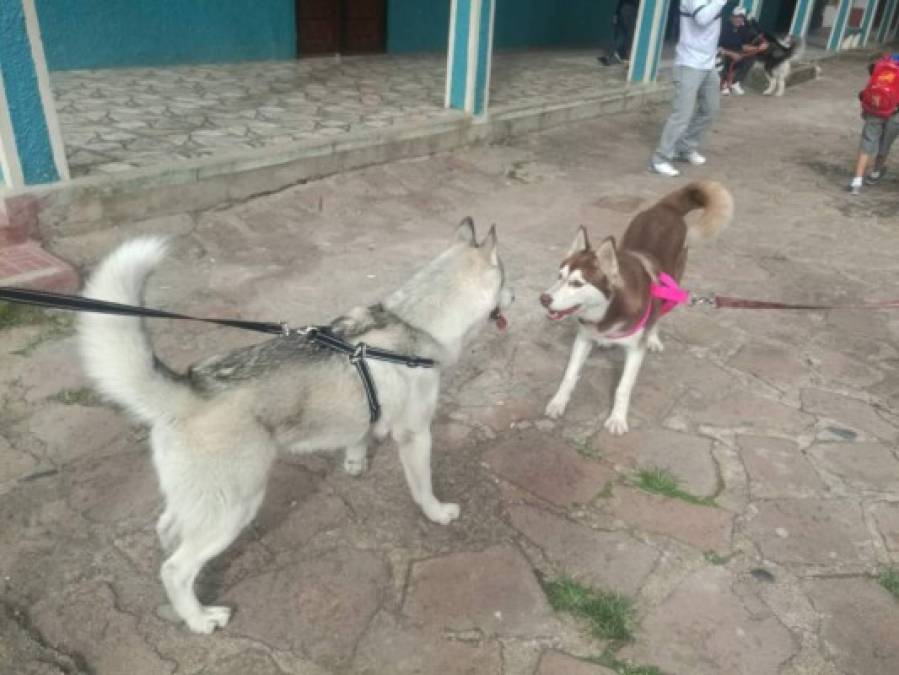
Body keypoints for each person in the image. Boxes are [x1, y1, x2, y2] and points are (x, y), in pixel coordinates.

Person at [650, 0, 731, 177]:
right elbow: (702, 18)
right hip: (689, 64)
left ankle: (684, 148)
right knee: (682, 115)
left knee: (710, 109)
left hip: (707, 65)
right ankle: (660, 159)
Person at [849, 60, 899, 195]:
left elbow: (872, 74)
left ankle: (856, 182)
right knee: (884, 145)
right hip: (895, 114)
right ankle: (875, 174)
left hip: (876, 110)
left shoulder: (889, 60)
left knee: (866, 144)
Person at [718, 7, 767, 95]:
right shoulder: (724, 27)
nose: (739, 19)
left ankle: (734, 82)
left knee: (751, 58)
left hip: (737, 52)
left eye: (741, 17)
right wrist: (731, 53)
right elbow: (719, 47)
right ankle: (723, 83)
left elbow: (744, 46)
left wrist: (759, 48)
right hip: (722, 52)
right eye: (737, 16)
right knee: (726, 59)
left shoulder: (743, 29)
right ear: (732, 17)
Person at [599, 0, 639, 65]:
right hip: (629, 11)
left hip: (624, 10)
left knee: (622, 35)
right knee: (628, 34)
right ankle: (621, 55)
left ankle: (611, 55)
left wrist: (616, 14)